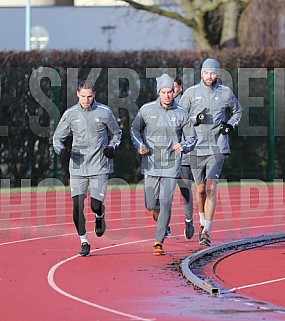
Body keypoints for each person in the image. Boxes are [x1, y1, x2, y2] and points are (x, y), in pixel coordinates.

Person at [53, 80, 122, 256]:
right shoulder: (70, 114)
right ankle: (84, 241)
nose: (86, 100)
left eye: (89, 96)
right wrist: (61, 151)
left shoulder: (104, 112)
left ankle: (100, 215)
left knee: (95, 204)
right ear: (77, 94)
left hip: (99, 164)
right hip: (77, 166)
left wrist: (112, 147)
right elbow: (57, 138)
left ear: (95, 94)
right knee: (77, 206)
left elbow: (117, 133)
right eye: (83, 96)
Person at [131, 74, 197, 256]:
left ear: (174, 93)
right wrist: (141, 146)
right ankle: (156, 210)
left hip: (171, 164)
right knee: (151, 203)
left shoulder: (181, 113)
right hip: (151, 163)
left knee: (167, 201)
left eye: (170, 92)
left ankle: (158, 241)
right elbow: (134, 129)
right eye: (164, 92)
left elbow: (192, 138)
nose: (167, 95)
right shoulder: (146, 110)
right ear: (158, 92)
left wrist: (183, 146)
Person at [179, 58, 243, 246]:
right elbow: (179, 116)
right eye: (207, 73)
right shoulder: (191, 93)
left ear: (218, 74)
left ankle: (206, 231)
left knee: (211, 187)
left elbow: (238, 112)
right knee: (200, 190)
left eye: (213, 73)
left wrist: (230, 126)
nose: (209, 76)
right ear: (201, 74)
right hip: (196, 147)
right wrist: (195, 119)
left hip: (217, 146)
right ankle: (201, 221)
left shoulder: (225, 93)